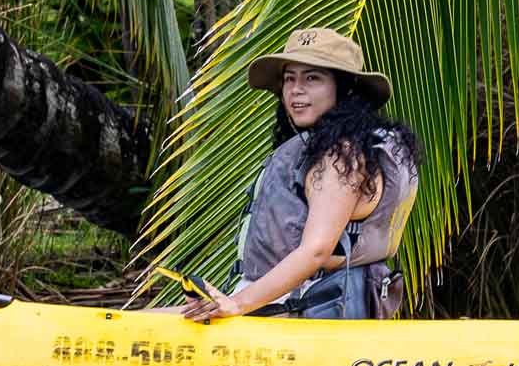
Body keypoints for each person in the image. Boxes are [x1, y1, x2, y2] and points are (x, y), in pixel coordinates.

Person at [179, 27, 421, 321]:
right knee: (140, 318)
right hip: (280, 306)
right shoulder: (327, 148)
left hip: (300, 316)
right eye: (289, 78)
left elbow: (316, 252)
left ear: (344, 89)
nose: (296, 89)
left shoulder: (340, 157)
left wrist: (237, 304)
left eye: (312, 78)